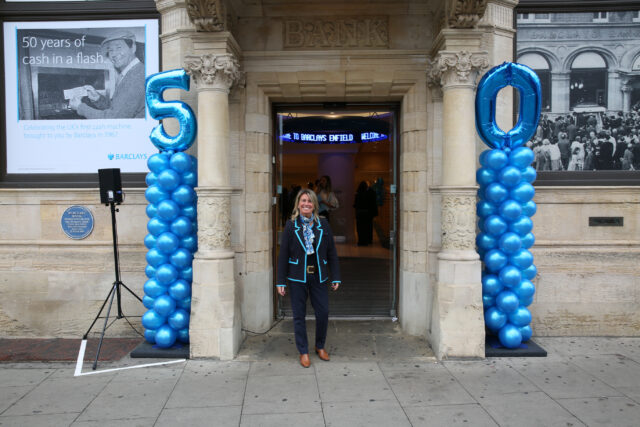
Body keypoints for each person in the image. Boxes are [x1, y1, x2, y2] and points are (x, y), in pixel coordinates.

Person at [276, 189, 341, 368]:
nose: (306, 204)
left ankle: (319, 346)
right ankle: (303, 351)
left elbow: (332, 253)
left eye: (310, 201)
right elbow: (283, 256)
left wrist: (336, 276)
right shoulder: (291, 226)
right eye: (303, 200)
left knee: (323, 313)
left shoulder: (323, 224)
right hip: (297, 277)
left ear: (314, 205)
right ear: (298, 203)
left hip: (318, 276)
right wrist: (280, 281)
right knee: (299, 316)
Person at [69, 31, 145, 119]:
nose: (114, 54)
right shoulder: (131, 72)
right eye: (110, 50)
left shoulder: (136, 76)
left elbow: (114, 118)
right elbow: (117, 109)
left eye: (118, 47)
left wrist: (80, 107)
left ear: (133, 48)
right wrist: (97, 98)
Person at [353, 181, 377, 246]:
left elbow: (355, 204)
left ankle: (361, 241)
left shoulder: (358, 194)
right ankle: (368, 240)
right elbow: (372, 204)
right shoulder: (370, 193)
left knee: (360, 228)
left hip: (359, 213)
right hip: (367, 213)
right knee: (367, 227)